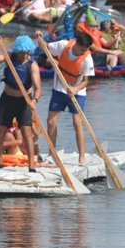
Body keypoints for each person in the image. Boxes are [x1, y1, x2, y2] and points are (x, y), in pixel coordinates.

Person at [39, 30, 93, 164]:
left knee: (77, 122)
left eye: (85, 50)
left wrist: (75, 88)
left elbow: (86, 81)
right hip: (59, 89)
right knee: (51, 122)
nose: (83, 52)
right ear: (76, 43)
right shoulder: (63, 45)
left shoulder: (87, 58)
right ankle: (52, 154)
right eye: (81, 49)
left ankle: (82, 157)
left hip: (77, 92)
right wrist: (39, 38)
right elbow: (45, 47)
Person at [0, 35, 40, 171]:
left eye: (28, 52)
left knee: (26, 131)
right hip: (7, 98)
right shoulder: (10, 57)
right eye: (23, 53)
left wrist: (34, 100)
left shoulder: (32, 65)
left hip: (24, 101)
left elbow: (38, 88)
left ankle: (31, 165)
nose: (25, 56)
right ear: (17, 51)